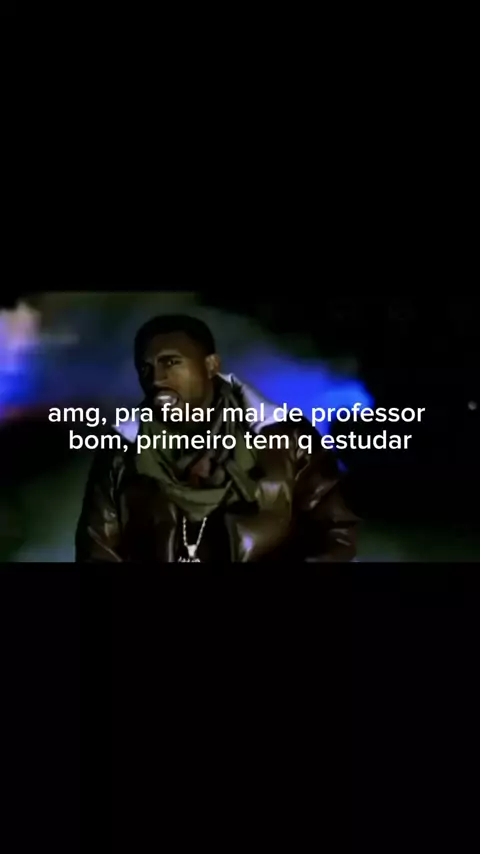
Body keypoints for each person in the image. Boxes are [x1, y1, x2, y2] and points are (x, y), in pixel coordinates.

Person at [75, 315, 358, 562]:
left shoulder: (287, 438)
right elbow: (97, 548)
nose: (156, 379)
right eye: (145, 368)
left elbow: (335, 534)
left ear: (211, 365)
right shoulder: (122, 450)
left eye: (170, 362)